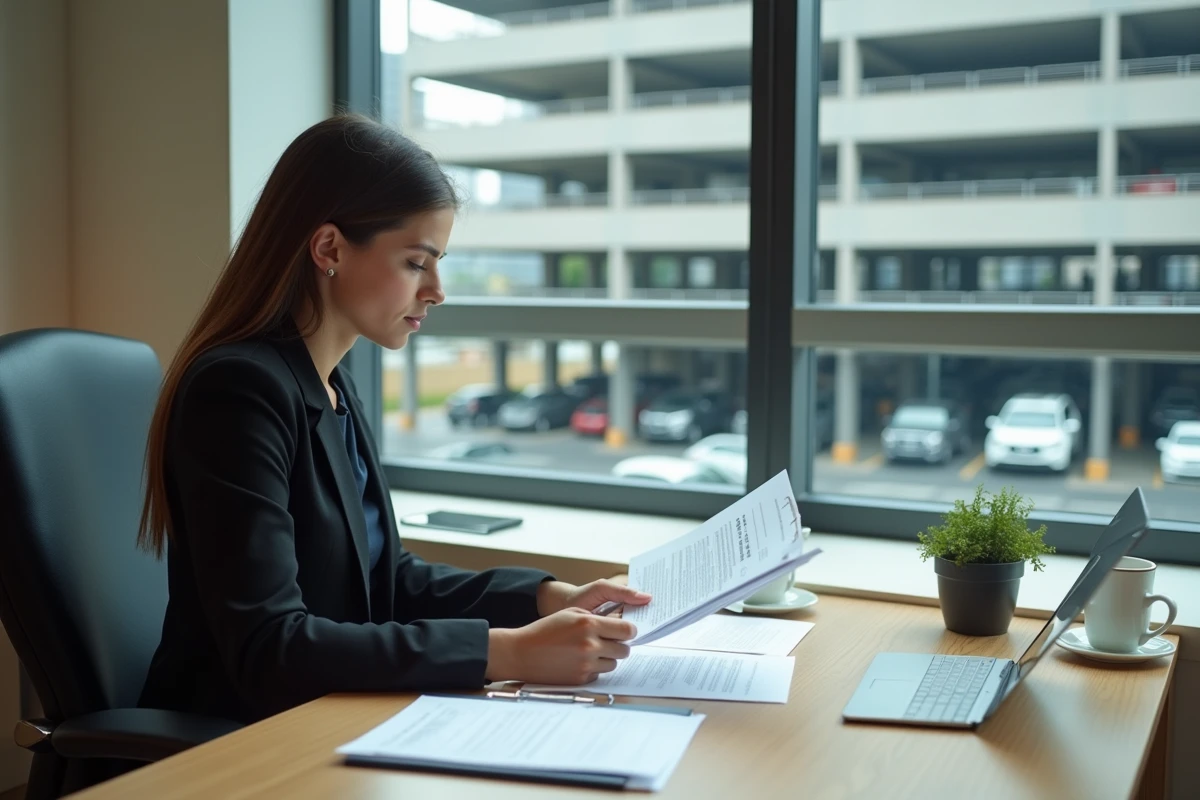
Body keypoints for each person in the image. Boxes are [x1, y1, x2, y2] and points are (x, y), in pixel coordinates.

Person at [136, 115, 650, 723]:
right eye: (416, 262)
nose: (436, 290)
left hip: (332, 719)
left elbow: (385, 580)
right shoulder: (238, 390)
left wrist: (544, 598)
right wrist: (505, 651)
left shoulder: (331, 385)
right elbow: (270, 648)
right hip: (238, 741)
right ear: (329, 248)